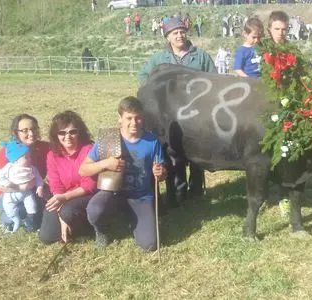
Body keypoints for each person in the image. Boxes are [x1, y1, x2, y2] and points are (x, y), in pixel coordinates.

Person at [137, 18, 215, 208]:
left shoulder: (201, 56)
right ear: (168, 37)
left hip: (197, 114)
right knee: (174, 153)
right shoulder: (159, 59)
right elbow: (142, 78)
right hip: (171, 117)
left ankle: (197, 191)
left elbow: (214, 78)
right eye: (174, 33)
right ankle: (177, 191)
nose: (179, 35)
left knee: (198, 151)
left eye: (182, 31)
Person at [79, 97, 167, 249]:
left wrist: (160, 173)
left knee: (150, 244)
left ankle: (134, 219)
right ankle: (101, 230)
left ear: (143, 117)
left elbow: (163, 175)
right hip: (112, 194)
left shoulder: (152, 141)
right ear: (119, 118)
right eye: (129, 118)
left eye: (138, 117)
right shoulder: (108, 139)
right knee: (94, 209)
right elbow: (83, 169)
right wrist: (105, 163)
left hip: (141, 196)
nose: (134, 122)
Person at [39, 111, 97, 244]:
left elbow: (89, 185)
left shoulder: (88, 150)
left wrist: (64, 200)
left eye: (72, 132)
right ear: (56, 135)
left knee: (69, 212)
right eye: (62, 133)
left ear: (79, 132)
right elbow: (56, 186)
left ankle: (88, 227)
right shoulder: (52, 155)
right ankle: (72, 226)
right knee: (47, 237)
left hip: (86, 195)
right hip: (62, 198)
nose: (67, 136)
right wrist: (60, 215)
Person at [0, 114, 50, 232]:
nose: (31, 134)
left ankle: (29, 219)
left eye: (34, 129)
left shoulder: (44, 147)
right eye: (25, 130)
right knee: (21, 210)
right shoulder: (10, 151)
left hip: (31, 190)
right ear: (16, 132)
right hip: (6, 192)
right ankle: (12, 220)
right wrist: (20, 188)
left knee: (43, 206)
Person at [0, 140, 44, 232]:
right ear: (15, 160)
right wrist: (8, 184)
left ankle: (31, 223)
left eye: (29, 156)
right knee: (9, 208)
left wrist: (40, 187)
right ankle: (13, 221)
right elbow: (0, 179)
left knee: (32, 207)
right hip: (11, 194)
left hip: (27, 193)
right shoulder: (9, 167)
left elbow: (38, 178)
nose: (29, 159)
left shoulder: (32, 168)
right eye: (26, 157)